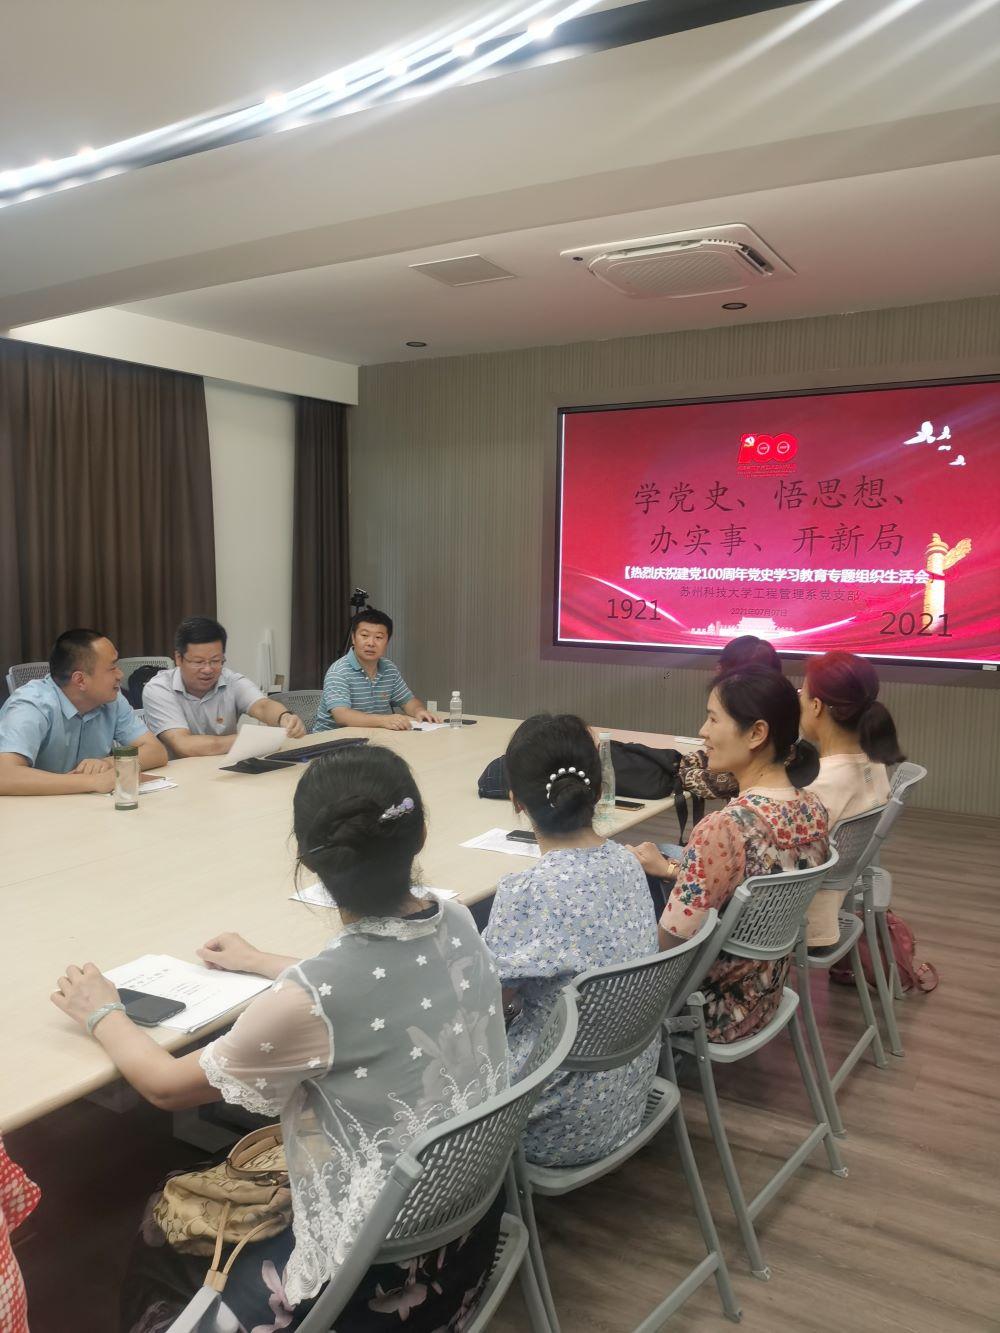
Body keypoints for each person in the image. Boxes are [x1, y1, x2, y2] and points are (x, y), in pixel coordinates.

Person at [51, 744, 509, 1333]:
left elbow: (164, 1086)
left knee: (158, 1226)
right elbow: (378, 982)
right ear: (420, 835)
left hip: (367, 1285)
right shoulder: (460, 920)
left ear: (309, 860)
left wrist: (102, 1012)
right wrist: (264, 962)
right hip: (464, 1242)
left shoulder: (311, 999)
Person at [484, 713, 659, 1167]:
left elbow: (484, 1010)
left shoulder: (526, 893)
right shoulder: (630, 864)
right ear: (597, 791)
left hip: (550, 1125)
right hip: (626, 1099)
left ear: (515, 800)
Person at [632, 668, 829, 1043]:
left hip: (711, 1008)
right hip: (765, 993)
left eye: (712, 719)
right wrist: (675, 869)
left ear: (756, 733)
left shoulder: (725, 828)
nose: (702, 731)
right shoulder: (814, 808)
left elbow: (671, 942)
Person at [799, 650, 904, 946]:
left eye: (802, 693)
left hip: (797, 922)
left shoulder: (819, 785)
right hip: (831, 907)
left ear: (816, 706)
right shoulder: (874, 763)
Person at [0, 629, 167, 795]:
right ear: (80, 680)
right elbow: (5, 775)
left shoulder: (112, 700)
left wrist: (107, 763)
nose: (120, 675)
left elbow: (156, 751)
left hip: (85, 805)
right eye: (112, 668)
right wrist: (93, 782)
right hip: (35, 807)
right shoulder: (31, 705)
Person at [142, 616, 307, 757]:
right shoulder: (159, 689)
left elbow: (262, 706)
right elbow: (184, 745)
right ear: (178, 658)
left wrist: (284, 718)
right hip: (178, 776)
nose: (208, 669)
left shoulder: (231, 680)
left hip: (226, 769)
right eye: (198, 662)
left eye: (215, 661)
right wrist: (256, 739)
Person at [313, 608, 438, 732]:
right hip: (333, 740)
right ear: (353, 638)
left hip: (373, 735)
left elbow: (407, 701)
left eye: (378, 637)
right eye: (364, 635)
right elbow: (342, 715)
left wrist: (419, 711)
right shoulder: (338, 672)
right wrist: (384, 720)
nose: (371, 643)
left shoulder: (389, 668)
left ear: (387, 642)